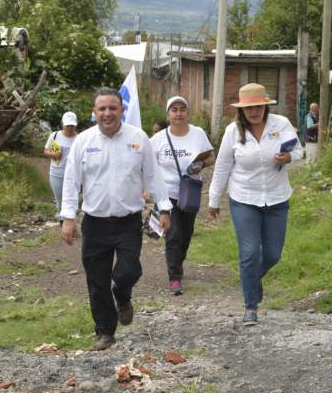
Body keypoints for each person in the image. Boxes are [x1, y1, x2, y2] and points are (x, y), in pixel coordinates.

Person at [60, 87, 172, 351]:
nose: (107, 113)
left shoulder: (138, 138)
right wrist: (68, 217)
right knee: (97, 281)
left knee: (128, 271)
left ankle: (123, 295)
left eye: (113, 108)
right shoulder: (83, 142)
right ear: (94, 112)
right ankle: (105, 331)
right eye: (102, 109)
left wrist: (164, 207)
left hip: (128, 222)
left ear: (122, 110)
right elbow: (71, 181)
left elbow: (153, 176)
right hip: (95, 223)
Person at [208, 83, 303, 326]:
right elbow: (222, 166)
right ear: (241, 109)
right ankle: (250, 306)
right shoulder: (232, 131)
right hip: (244, 199)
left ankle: (252, 279)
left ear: (265, 106)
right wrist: (214, 198)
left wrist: (289, 157)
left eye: (258, 106)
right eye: (249, 108)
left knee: (272, 254)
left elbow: (300, 151)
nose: (254, 112)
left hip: (277, 198)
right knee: (249, 253)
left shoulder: (280, 125)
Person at [150, 96, 215, 295]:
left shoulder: (198, 134)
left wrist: (201, 164)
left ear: (187, 112)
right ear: (168, 114)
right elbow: (148, 166)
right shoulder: (158, 139)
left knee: (186, 235)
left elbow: (212, 157)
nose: (178, 113)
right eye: (174, 110)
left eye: (182, 109)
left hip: (190, 192)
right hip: (166, 194)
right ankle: (174, 278)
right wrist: (147, 190)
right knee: (173, 235)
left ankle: (178, 262)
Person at [43, 112, 79, 221]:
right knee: (59, 199)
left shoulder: (79, 138)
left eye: (72, 126)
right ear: (62, 124)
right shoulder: (54, 135)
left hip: (73, 174)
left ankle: (69, 220)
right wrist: (53, 154)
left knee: (71, 199)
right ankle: (61, 220)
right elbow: (45, 151)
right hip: (56, 172)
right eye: (67, 125)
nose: (69, 128)